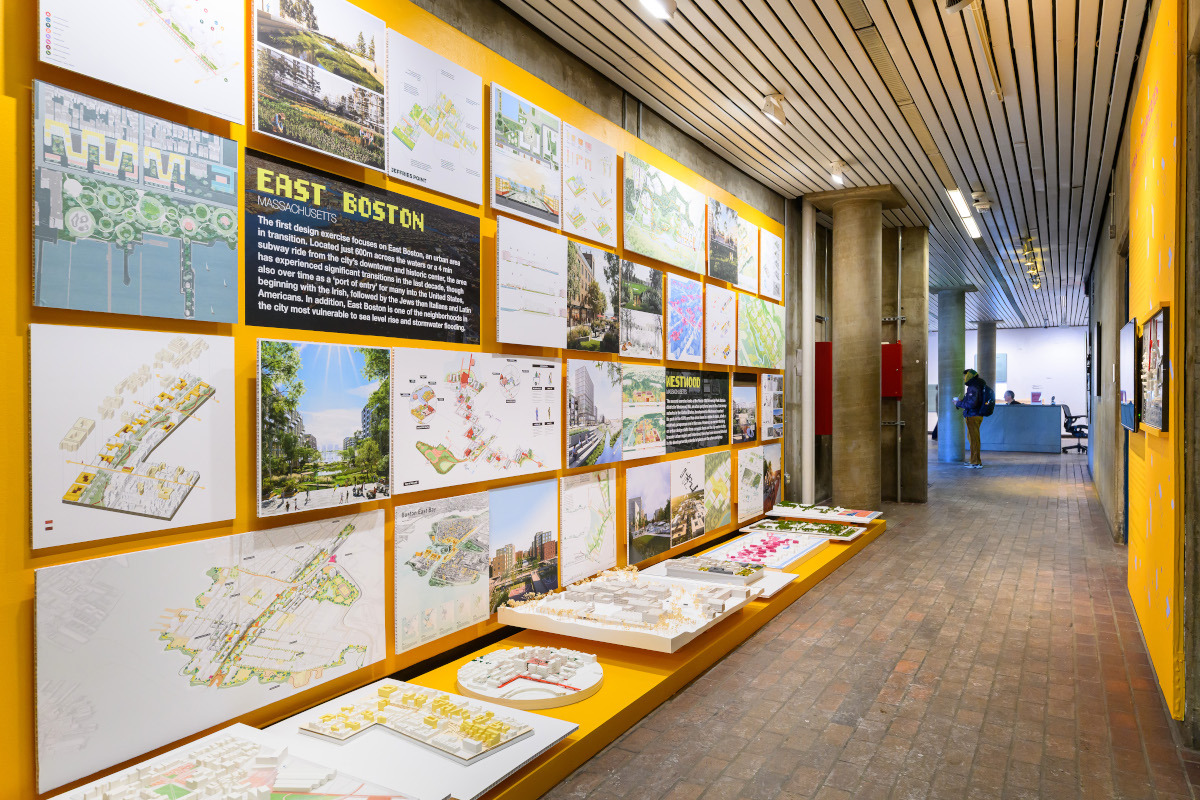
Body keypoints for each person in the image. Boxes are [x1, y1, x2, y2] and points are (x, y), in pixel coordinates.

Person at [955, 368, 990, 468]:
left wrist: (958, 403)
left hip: (973, 415)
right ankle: (973, 460)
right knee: (972, 438)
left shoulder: (973, 387)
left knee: (974, 440)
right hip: (976, 415)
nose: (963, 378)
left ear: (969, 376)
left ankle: (976, 462)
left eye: (964, 376)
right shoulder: (979, 385)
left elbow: (972, 403)